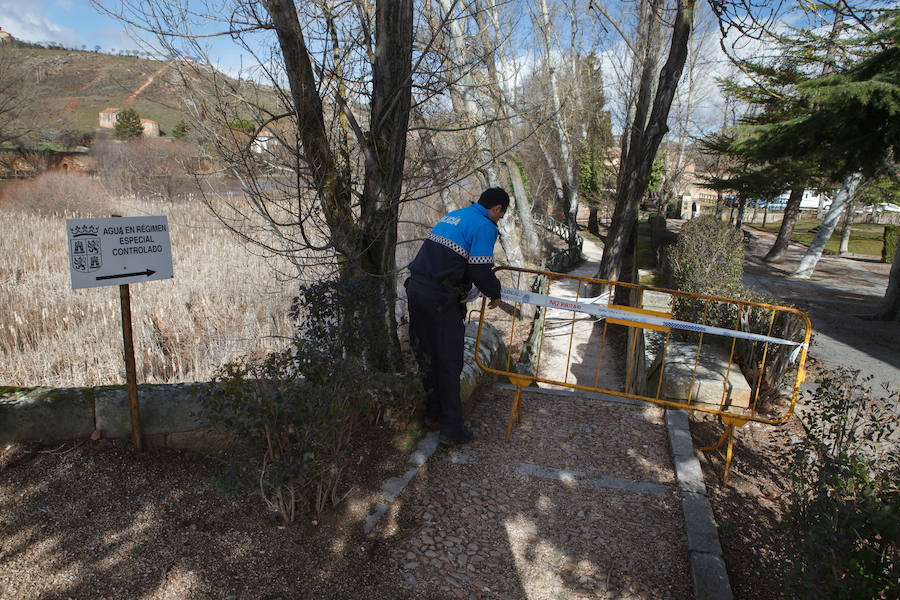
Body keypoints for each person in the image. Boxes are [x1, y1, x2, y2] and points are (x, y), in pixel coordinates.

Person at [405, 187, 509, 446]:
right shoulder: (485, 225)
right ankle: (451, 429)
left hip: (417, 291)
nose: (499, 220)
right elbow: (480, 269)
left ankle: (433, 414)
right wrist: (495, 293)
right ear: (497, 209)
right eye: (501, 216)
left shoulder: (456, 215)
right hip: (440, 299)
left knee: (428, 356)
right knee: (450, 362)